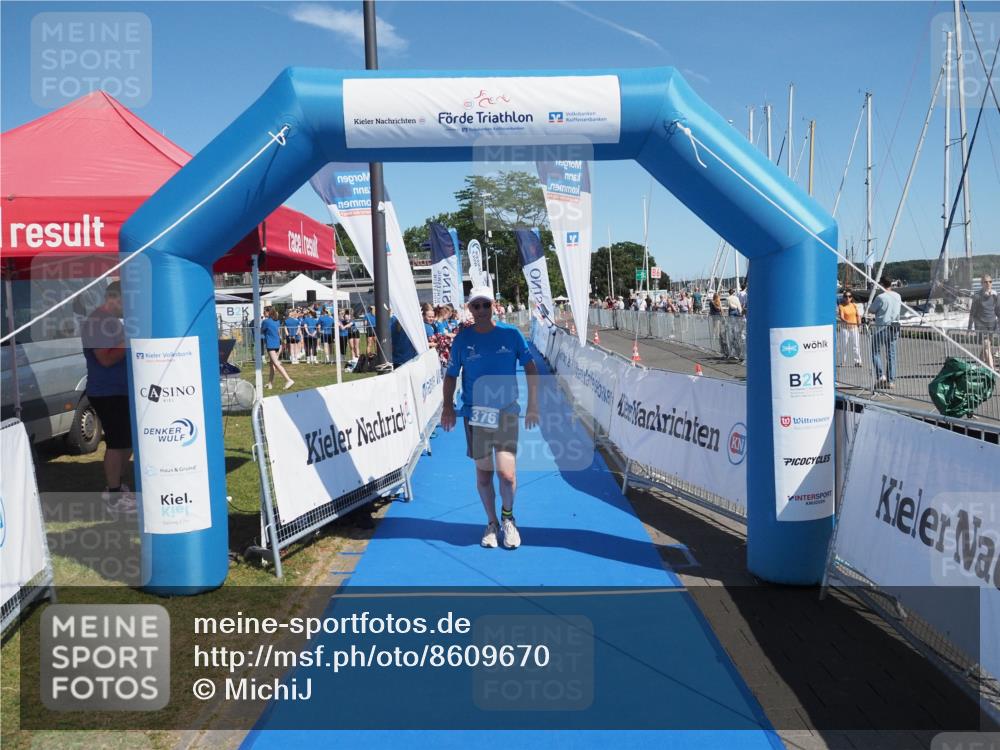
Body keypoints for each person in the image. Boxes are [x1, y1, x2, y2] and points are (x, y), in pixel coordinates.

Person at [441, 287, 539, 549]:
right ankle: (491, 522)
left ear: (494, 306)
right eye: (476, 306)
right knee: (484, 475)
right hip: (476, 414)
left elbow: (530, 367)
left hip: (506, 411)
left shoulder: (511, 334)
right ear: (470, 309)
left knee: (507, 474)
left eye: (486, 305)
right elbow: (451, 375)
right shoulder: (462, 339)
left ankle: (508, 519)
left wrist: (533, 405)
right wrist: (447, 406)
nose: (481, 311)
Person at [80, 281, 136, 514]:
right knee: (116, 442)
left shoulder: (111, 322)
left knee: (126, 441)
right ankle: (113, 495)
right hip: (107, 391)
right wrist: (130, 341)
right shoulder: (97, 322)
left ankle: (117, 487)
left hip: (119, 390)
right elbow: (105, 358)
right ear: (116, 298)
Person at [868, 275, 902, 389]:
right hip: (894, 327)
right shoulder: (898, 296)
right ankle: (891, 380)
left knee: (875, 352)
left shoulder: (880, 297)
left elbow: (871, 310)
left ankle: (881, 376)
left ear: (881, 284)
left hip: (882, 327)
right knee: (891, 354)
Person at [968, 274, 998, 370]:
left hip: (992, 324)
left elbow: (997, 310)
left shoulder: (995, 295)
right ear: (982, 284)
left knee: (987, 345)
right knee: (986, 347)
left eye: (990, 281)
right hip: (980, 325)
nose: (988, 283)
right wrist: (969, 327)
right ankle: (992, 369)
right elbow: (972, 312)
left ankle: (978, 365)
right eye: (985, 282)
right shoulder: (977, 296)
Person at [262, 309, 294, 390]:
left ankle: (288, 380)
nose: (263, 313)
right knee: (272, 364)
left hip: (271, 344)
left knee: (276, 363)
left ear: (268, 312)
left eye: (264, 312)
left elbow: (261, 330)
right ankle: (270, 384)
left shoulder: (266, 322)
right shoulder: (277, 321)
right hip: (277, 344)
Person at [837, 291, 862, 367]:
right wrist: (846, 321)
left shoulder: (854, 305)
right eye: (846, 296)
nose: (848, 298)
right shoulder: (841, 306)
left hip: (854, 328)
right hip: (845, 328)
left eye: (849, 296)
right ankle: (842, 361)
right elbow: (841, 317)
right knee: (843, 345)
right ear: (844, 297)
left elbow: (858, 315)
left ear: (851, 298)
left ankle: (858, 361)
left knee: (856, 345)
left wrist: (859, 323)